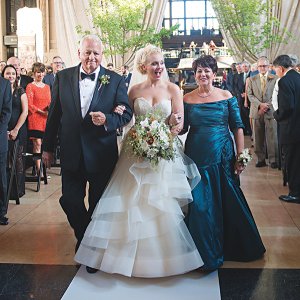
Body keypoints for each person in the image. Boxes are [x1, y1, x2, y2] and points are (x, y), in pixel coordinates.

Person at [74, 45, 203, 277]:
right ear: (144, 66)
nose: (159, 67)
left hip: (163, 152)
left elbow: (179, 125)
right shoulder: (133, 90)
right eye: (154, 63)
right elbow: (125, 119)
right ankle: (119, 256)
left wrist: (170, 127)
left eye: (161, 63)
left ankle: (162, 258)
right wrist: (130, 131)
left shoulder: (174, 89)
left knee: (159, 203)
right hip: (135, 151)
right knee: (129, 201)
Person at [42, 35, 133, 256]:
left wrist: (108, 120)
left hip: (101, 152)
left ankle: (89, 250)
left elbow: (126, 112)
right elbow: (54, 115)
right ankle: (85, 237)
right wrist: (47, 148)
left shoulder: (115, 79)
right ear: (79, 53)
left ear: (102, 55)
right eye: (87, 52)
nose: (92, 57)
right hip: (72, 151)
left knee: (97, 203)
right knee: (70, 200)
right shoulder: (62, 77)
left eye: (96, 53)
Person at [182, 55, 265, 271]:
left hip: (223, 154)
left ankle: (234, 246)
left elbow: (238, 127)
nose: (203, 74)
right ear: (195, 73)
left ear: (214, 73)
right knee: (200, 203)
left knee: (227, 198)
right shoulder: (187, 98)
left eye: (207, 70)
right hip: (197, 154)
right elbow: (182, 128)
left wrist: (240, 155)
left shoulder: (226, 95)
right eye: (199, 70)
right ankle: (204, 252)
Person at [273, 55, 300, 204]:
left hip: (291, 129)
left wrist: (277, 115)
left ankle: (295, 193)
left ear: (281, 68)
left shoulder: (284, 81)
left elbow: (287, 107)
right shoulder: (298, 77)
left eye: (275, 69)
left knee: (292, 162)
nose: (276, 72)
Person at [2, 65, 28, 198]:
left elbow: (25, 112)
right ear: (3, 75)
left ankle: (17, 191)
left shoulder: (20, 91)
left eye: (13, 73)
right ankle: (5, 191)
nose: (10, 76)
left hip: (18, 129)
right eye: (8, 73)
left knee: (17, 160)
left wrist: (15, 129)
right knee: (5, 161)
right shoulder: (1, 90)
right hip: (3, 130)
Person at [247, 56, 278, 168]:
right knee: (257, 136)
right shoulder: (252, 79)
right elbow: (250, 95)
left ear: (269, 66)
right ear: (257, 67)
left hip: (270, 111)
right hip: (256, 111)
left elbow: (276, 94)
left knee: (272, 136)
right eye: (260, 66)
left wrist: (267, 105)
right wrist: (260, 104)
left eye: (264, 66)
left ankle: (273, 159)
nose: (262, 68)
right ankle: (260, 159)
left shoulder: (275, 78)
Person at [26, 62, 51, 174]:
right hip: (35, 118)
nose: (40, 74)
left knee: (44, 145)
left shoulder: (47, 87)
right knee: (38, 144)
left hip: (46, 119)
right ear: (34, 73)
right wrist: (42, 112)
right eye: (37, 72)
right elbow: (30, 105)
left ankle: (42, 170)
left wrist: (49, 110)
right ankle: (39, 171)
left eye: (42, 72)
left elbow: (50, 102)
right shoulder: (30, 86)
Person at [0, 76, 12, 225]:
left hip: (0, 136)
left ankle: (1, 211)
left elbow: (6, 111)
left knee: (1, 176)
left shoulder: (4, 84)